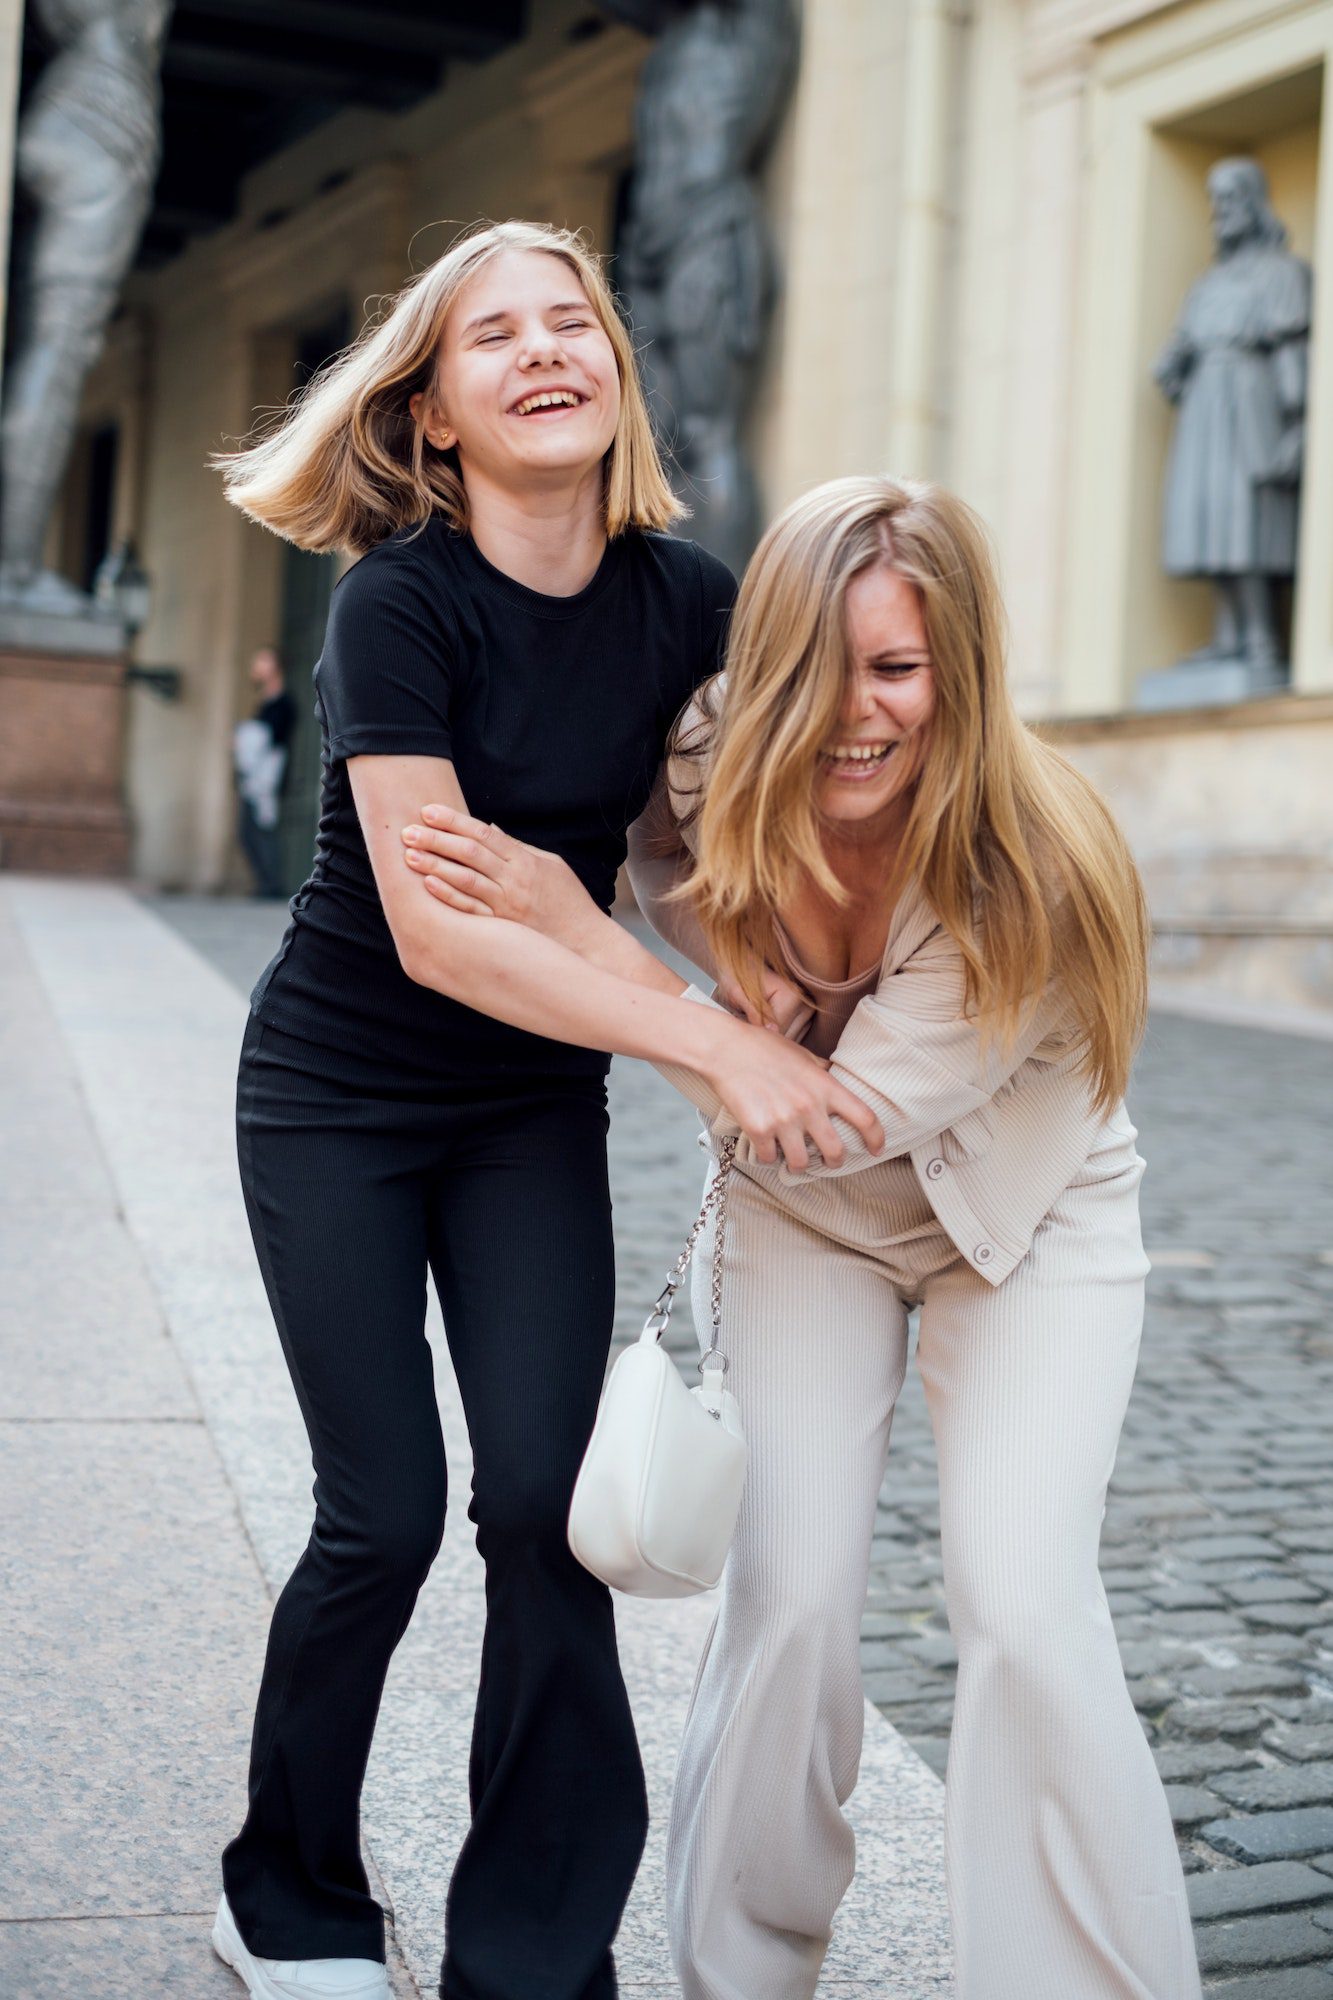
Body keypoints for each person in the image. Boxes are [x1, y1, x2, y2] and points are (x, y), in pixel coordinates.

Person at [397, 475, 1205, 2000]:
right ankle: (741, 1974)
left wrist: (585, 950)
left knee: (1023, 1609)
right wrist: (696, 986)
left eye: (897, 669)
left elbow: (817, 1111)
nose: (857, 712)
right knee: (791, 1604)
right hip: (808, 1228)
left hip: (1022, 1222)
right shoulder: (698, 764)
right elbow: (670, 888)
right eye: (821, 668)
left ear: (959, 672)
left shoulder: (1027, 864)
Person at [204, 221, 879, 2000]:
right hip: (337, 1100)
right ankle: (285, 1887)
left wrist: (769, 980)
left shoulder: (691, 601)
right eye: (489, 335)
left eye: (568, 319)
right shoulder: (398, 604)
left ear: (612, 371)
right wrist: (710, 1046)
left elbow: (695, 851)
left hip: (524, 1116)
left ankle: (528, 1955)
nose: (540, 349)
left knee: (542, 1509)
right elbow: (437, 932)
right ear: (431, 414)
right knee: (385, 1513)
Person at [233, 645, 296, 899]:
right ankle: (267, 884)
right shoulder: (265, 704)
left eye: (262, 661)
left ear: (275, 667)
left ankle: (272, 886)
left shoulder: (284, 703)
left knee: (262, 830)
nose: (256, 667)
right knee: (249, 832)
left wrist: (244, 735)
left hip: (269, 780)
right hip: (254, 779)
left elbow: (272, 740)